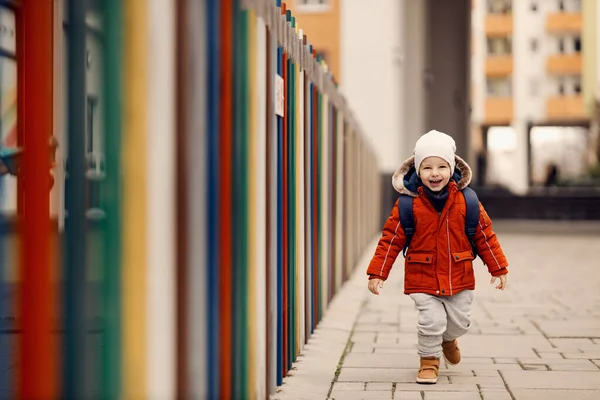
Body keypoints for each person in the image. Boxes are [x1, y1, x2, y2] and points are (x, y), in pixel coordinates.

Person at [366, 130, 509, 384]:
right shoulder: (408, 204)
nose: (435, 173)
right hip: (422, 275)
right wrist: (377, 272)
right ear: (417, 171)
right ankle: (429, 361)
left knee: (460, 323)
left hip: (459, 274)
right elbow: (390, 239)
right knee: (431, 320)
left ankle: (448, 338)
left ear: (452, 167)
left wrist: (498, 268)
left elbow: (484, 235)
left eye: (442, 166)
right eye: (427, 167)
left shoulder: (468, 201)